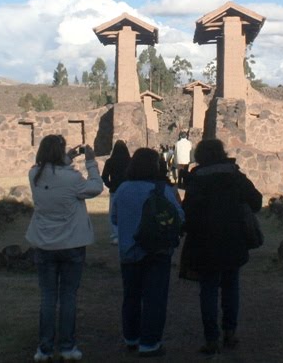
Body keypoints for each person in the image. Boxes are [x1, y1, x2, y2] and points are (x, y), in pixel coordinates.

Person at [179, 138, 262, 355]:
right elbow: (256, 201)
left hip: (204, 242)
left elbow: (187, 213)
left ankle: (211, 338)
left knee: (208, 290)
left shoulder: (197, 178)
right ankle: (230, 332)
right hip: (233, 239)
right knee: (231, 287)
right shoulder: (234, 175)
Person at [25, 135, 104, 362]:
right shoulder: (73, 179)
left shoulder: (34, 175)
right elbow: (96, 187)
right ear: (59, 153)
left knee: (48, 297)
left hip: (44, 243)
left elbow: (51, 170)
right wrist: (90, 162)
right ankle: (67, 346)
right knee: (68, 296)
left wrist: (68, 157)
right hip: (71, 243)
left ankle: (45, 348)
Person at [110, 147, 185, 357]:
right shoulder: (162, 189)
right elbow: (179, 216)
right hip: (157, 250)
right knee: (155, 298)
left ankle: (131, 338)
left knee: (131, 296)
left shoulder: (123, 189)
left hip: (129, 251)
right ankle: (150, 342)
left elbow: (114, 218)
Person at [101, 140, 131, 244]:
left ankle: (116, 235)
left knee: (114, 213)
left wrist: (110, 185)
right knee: (128, 211)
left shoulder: (110, 161)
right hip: (127, 190)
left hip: (115, 190)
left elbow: (104, 176)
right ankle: (127, 233)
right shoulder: (130, 161)